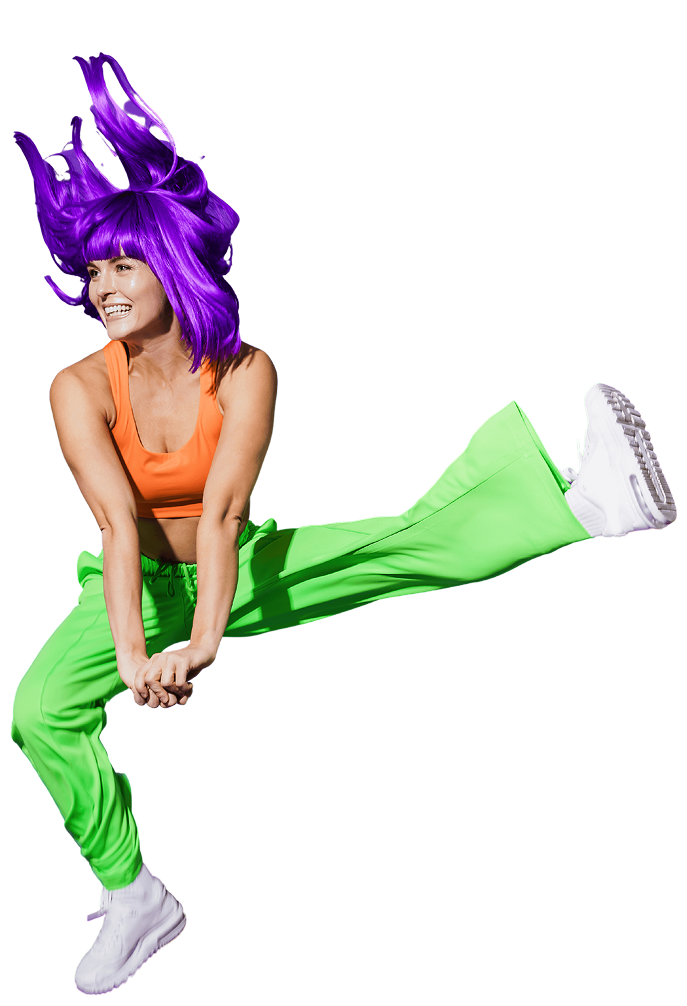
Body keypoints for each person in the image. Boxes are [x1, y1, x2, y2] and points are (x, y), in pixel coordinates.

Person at [10, 54, 677, 996]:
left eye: (124, 263)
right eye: (94, 270)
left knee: (387, 547)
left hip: (233, 565)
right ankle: (133, 894)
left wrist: (202, 646)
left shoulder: (245, 372)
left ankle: (585, 500)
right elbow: (119, 524)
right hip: (132, 588)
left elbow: (225, 512)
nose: (104, 285)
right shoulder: (76, 385)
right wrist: (132, 658)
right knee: (37, 711)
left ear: (170, 263)